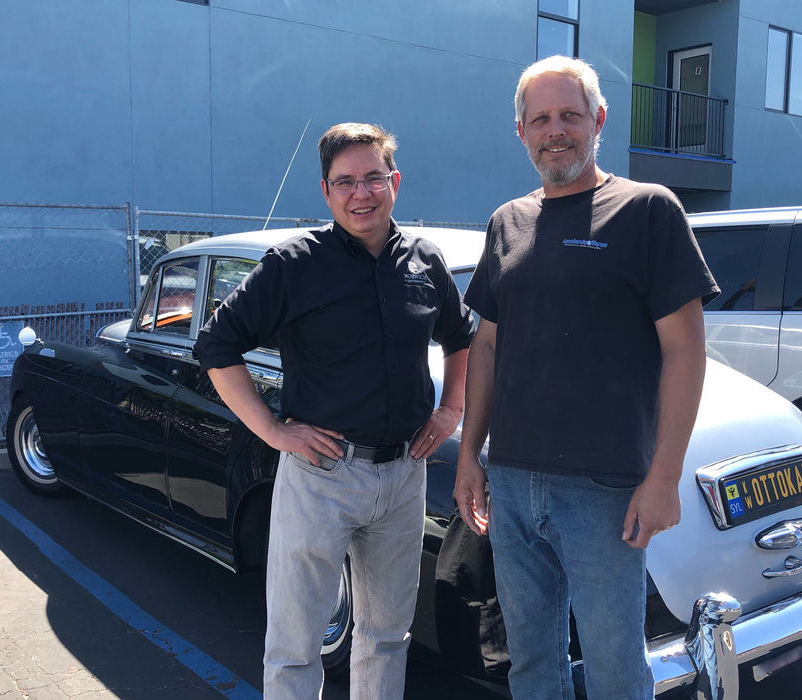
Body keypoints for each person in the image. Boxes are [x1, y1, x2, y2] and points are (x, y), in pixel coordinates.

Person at [454, 56, 719, 700]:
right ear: (521, 131)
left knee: (614, 669)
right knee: (531, 662)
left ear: (598, 119)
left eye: (570, 115)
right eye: (540, 119)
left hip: (603, 488)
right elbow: (486, 346)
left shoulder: (647, 210)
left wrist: (663, 478)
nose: (555, 131)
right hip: (512, 482)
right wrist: (468, 454)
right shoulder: (506, 222)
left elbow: (685, 351)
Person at [194, 122, 474, 699]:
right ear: (326, 192)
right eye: (345, 182)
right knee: (296, 645)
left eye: (373, 178)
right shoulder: (294, 264)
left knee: (387, 635)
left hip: (403, 478)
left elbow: (463, 337)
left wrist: (450, 410)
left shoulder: (424, 260)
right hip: (321, 477)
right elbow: (216, 345)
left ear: (394, 181)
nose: (361, 193)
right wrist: (272, 430)